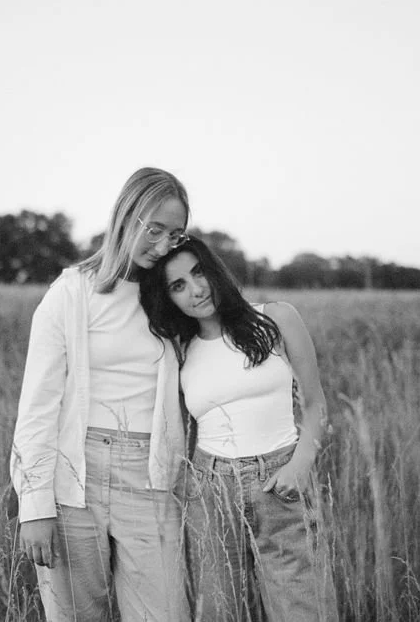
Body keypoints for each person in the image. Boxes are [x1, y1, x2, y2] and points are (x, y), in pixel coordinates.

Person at [10, 167, 191, 622]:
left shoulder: (173, 296)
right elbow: (38, 405)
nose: (164, 245)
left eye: (175, 234)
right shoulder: (70, 293)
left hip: (149, 476)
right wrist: (34, 505)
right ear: (126, 216)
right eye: (155, 230)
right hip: (76, 477)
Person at [139, 236, 336, 622]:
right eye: (178, 286)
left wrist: (301, 464)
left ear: (214, 270)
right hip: (210, 491)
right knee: (219, 611)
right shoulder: (178, 351)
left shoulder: (277, 317)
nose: (196, 290)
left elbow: (315, 405)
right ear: (169, 298)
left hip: (280, 483)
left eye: (198, 273)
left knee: (302, 608)